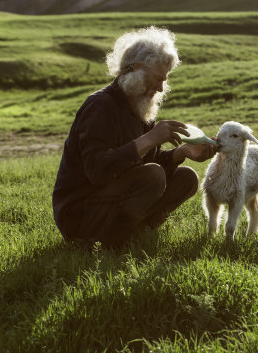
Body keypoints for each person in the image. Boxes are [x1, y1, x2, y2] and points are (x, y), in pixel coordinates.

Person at [52, 26, 216, 248]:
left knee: (186, 178)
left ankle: (134, 233)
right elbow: (97, 171)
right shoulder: (99, 106)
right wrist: (149, 139)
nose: (160, 88)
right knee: (154, 175)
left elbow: (148, 164)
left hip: (109, 201)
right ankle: (108, 242)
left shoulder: (141, 108)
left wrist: (181, 153)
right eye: (157, 78)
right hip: (79, 213)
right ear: (136, 68)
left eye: (164, 80)